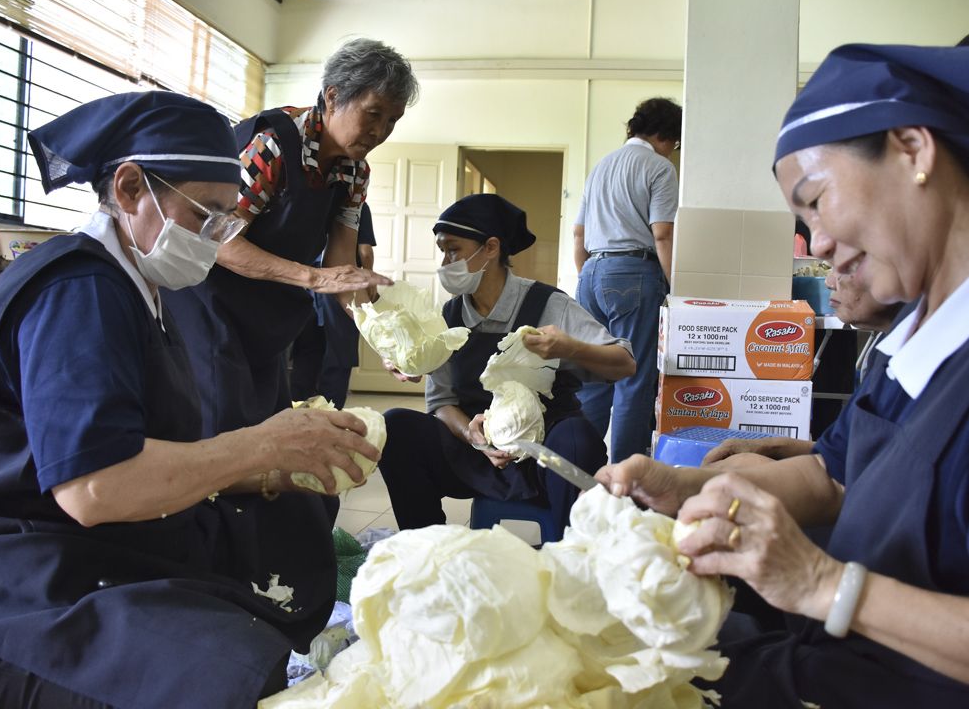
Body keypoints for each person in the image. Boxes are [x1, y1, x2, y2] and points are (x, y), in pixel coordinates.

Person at [0, 92, 380, 709]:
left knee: (285, 532)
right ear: (130, 187)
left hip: (68, 536)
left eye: (227, 220)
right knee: (226, 667)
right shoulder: (77, 290)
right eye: (206, 217)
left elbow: (144, 442)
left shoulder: (140, 287)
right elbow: (96, 489)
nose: (214, 239)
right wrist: (258, 445)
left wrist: (268, 470)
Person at [599, 43, 969, 707]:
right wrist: (687, 486)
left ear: (912, 148)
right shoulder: (913, 340)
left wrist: (824, 584)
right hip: (834, 658)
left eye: (816, 201)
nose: (816, 244)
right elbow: (831, 474)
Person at [162, 38, 416, 437]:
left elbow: (340, 264)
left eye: (392, 121)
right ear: (333, 97)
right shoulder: (273, 146)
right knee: (222, 426)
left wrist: (388, 339)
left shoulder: (355, 171)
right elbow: (219, 241)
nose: (380, 131)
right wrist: (311, 278)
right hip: (208, 302)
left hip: (264, 309)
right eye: (374, 113)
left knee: (268, 422)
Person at [379, 194, 635, 531]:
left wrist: (570, 348)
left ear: (491, 248)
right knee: (396, 427)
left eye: (453, 249)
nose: (445, 262)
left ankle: (565, 556)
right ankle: (427, 546)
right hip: (476, 453)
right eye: (442, 250)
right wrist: (475, 439)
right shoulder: (449, 316)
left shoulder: (548, 305)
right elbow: (442, 403)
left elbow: (625, 363)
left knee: (578, 438)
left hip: (540, 452)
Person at [702, 268, 904, 468]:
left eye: (845, 266)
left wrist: (761, 469)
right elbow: (844, 453)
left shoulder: (914, 368)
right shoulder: (883, 349)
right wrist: (769, 447)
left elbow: (867, 476)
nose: (829, 281)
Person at [572, 97, 681, 462]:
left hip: (591, 273)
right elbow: (662, 235)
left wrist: (591, 278)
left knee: (595, 376)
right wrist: (679, 290)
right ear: (666, 136)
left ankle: (582, 468)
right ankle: (626, 477)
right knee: (633, 379)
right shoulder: (660, 168)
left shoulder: (600, 167)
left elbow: (578, 235)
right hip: (633, 272)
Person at [289, 202, 377, 408]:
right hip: (340, 285)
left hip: (306, 284)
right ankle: (332, 413)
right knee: (339, 354)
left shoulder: (310, 200)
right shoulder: (357, 205)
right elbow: (364, 251)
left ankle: (298, 411)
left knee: (306, 352)